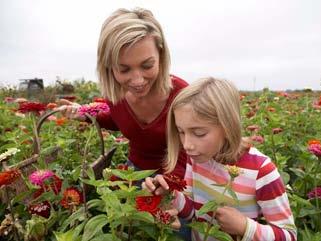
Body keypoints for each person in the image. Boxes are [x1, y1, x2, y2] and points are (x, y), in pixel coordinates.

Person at [143, 77, 297, 240]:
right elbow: (193, 213)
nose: (187, 145)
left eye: (199, 133)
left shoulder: (261, 171)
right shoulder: (196, 158)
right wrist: (170, 195)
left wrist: (245, 227)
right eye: (181, 131)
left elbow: (289, 235)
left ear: (227, 125)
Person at [59, 7, 188, 178]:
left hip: (178, 178)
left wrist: (170, 183)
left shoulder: (183, 96)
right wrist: (86, 114)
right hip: (133, 175)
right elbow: (116, 119)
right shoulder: (116, 96)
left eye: (147, 65)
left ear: (161, 55)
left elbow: (193, 150)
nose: (137, 80)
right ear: (109, 68)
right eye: (124, 69)